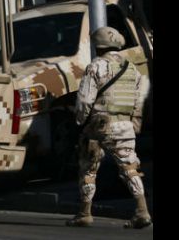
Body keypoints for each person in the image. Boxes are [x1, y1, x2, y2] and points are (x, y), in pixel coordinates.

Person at [66, 26, 151, 229]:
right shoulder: (132, 68)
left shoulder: (96, 66)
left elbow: (85, 101)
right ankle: (142, 211)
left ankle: (84, 213)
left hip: (99, 126)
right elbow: (140, 99)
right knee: (130, 166)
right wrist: (134, 123)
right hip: (125, 125)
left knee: (88, 165)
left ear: (98, 46)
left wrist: (80, 122)